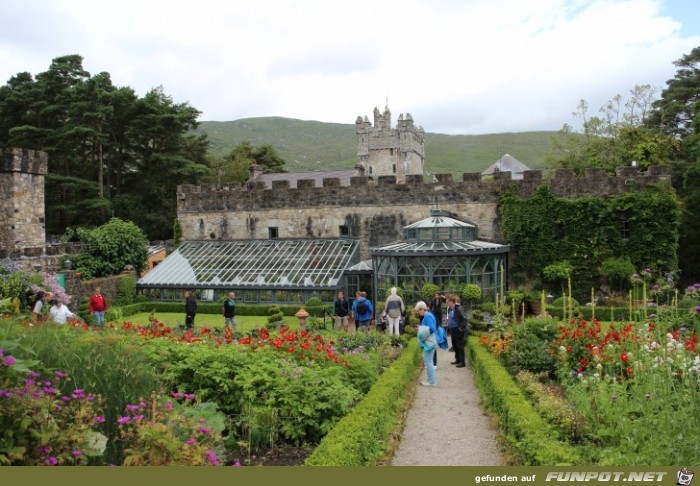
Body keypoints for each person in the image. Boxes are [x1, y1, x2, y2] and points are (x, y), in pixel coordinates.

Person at [414, 301, 438, 386]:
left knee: (428, 362)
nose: (418, 313)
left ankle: (431, 381)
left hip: (429, 342)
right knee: (429, 361)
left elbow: (432, 328)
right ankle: (430, 380)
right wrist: (421, 328)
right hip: (431, 341)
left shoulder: (427, 316)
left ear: (421, 309)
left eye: (418, 310)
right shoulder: (429, 315)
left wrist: (421, 334)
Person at [446, 294, 469, 368]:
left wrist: (460, 328)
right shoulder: (451, 309)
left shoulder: (458, 308)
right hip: (452, 330)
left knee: (460, 346)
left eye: (448, 302)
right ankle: (458, 360)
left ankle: (462, 362)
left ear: (452, 302)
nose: (447, 304)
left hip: (458, 330)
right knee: (455, 345)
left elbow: (464, 319)